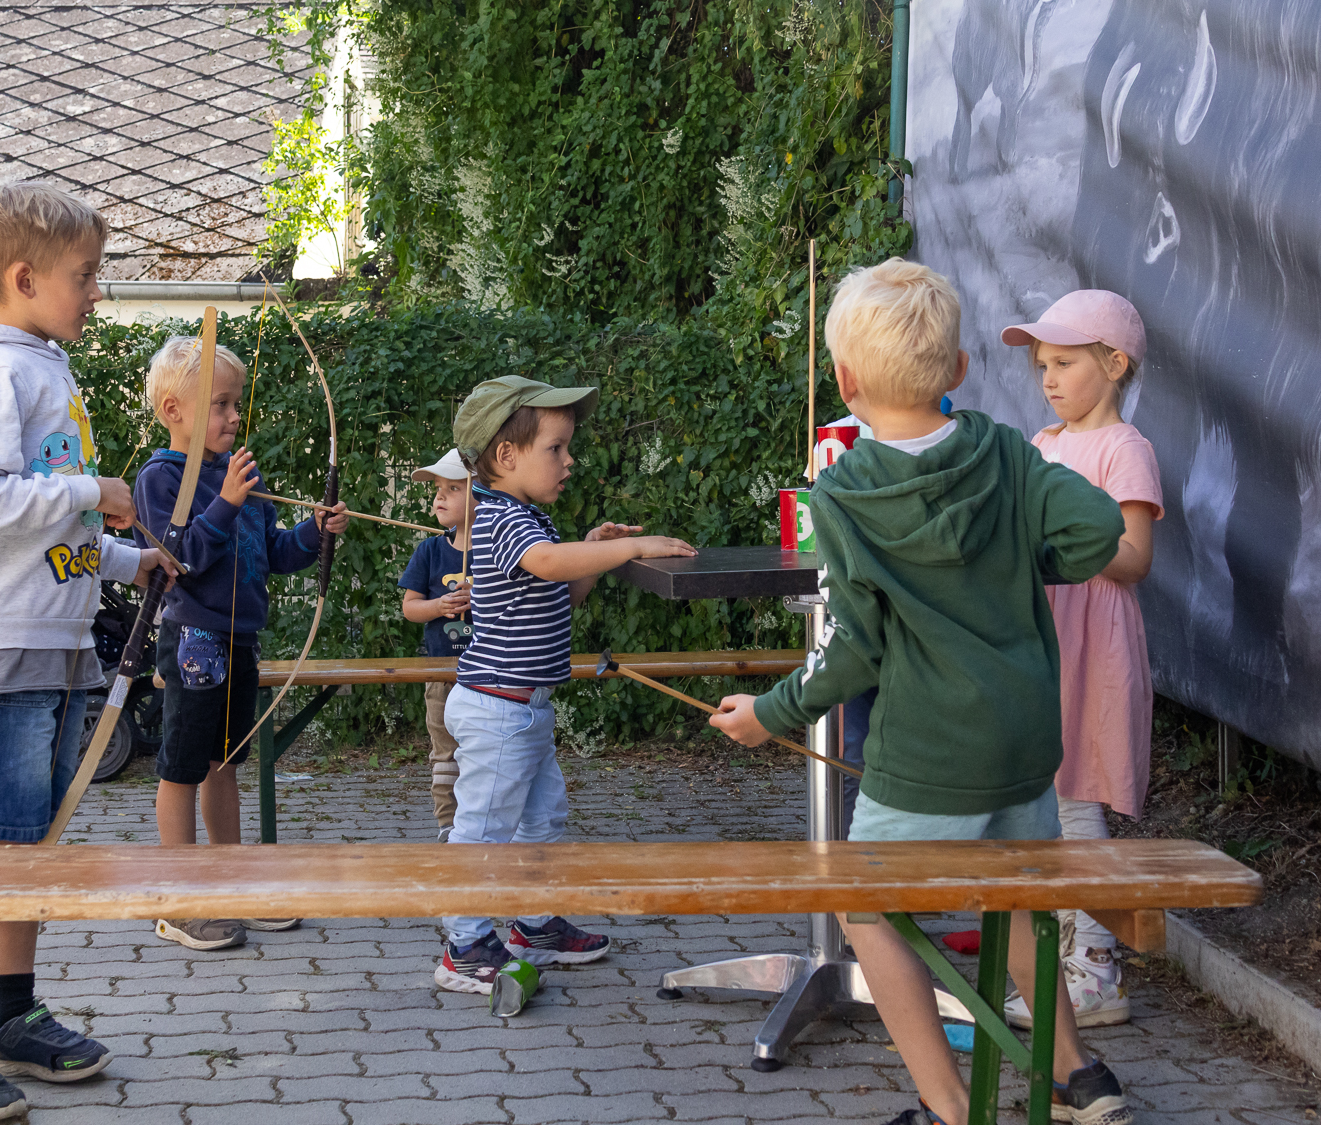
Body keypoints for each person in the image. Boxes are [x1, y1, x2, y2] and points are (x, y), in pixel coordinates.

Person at [709, 258, 1134, 1125]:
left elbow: (853, 651)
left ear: (845, 382)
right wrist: (1022, 558)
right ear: (959, 370)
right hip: (1025, 746)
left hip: (927, 757)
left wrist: (768, 714)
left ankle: (947, 1107)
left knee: (862, 906)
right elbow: (1097, 529)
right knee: (1017, 895)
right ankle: (1080, 1076)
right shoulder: (1005, 451)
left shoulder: (844, 492)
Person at [0, 181, 178, 1123]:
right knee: (3, 846)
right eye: (85, 276)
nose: (97, 292)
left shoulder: (45, 365)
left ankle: (10, 1012)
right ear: (24, 278)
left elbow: (54, 525)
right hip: (5, 643)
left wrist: (129, 559)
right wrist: (94, 489)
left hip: (55, 639)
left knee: (35, 843)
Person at [435, 376, 696, 993]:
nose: (569, 460)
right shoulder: (501, 517)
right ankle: (463, 946)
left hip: (524, 709)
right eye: (556, 448)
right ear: (506, 456)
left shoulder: (528, 518)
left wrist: (593, 553)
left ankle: (533, 926)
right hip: (499, 710)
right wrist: (634, 546)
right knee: (482, 831)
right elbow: (550, 564)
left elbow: (562, 587)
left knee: (542, 821)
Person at [133, 336, 350, 952]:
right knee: (182, 766)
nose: (233, 417)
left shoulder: (240, 477)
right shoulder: (162, 478)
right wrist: (226, 502)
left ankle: (228, 884)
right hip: (195, 639)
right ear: (174, 411)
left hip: (240, 638)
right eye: (221, 404)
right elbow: (178, 560)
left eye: (236, 404)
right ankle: (181, 900)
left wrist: (312, 531)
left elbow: (272, 552)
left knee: (224, 762)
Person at [999, 291, 1163, 1029]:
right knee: (1047, 795)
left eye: (1065, 363)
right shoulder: (1041, 442)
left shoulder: (1124, 448)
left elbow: (1134, 558)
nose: (1049, 379)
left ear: (1115, 363)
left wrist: (1061, 544)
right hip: (1043, 636)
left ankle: (1097, 972)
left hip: (1093, 640)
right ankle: (1065, 961)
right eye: (1043, 366)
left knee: (1078, 795)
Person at [398, 448, 475, 841]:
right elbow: (410, 607)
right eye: (437, 489)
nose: (439, 496)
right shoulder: (430, 550)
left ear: (481, 494)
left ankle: (479, 821)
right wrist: (439, 606)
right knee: (445, 754)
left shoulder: (498, 551)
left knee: (481, 753)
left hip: (487, 676)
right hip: (442, 675)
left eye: (453, 488)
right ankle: (448, 824)